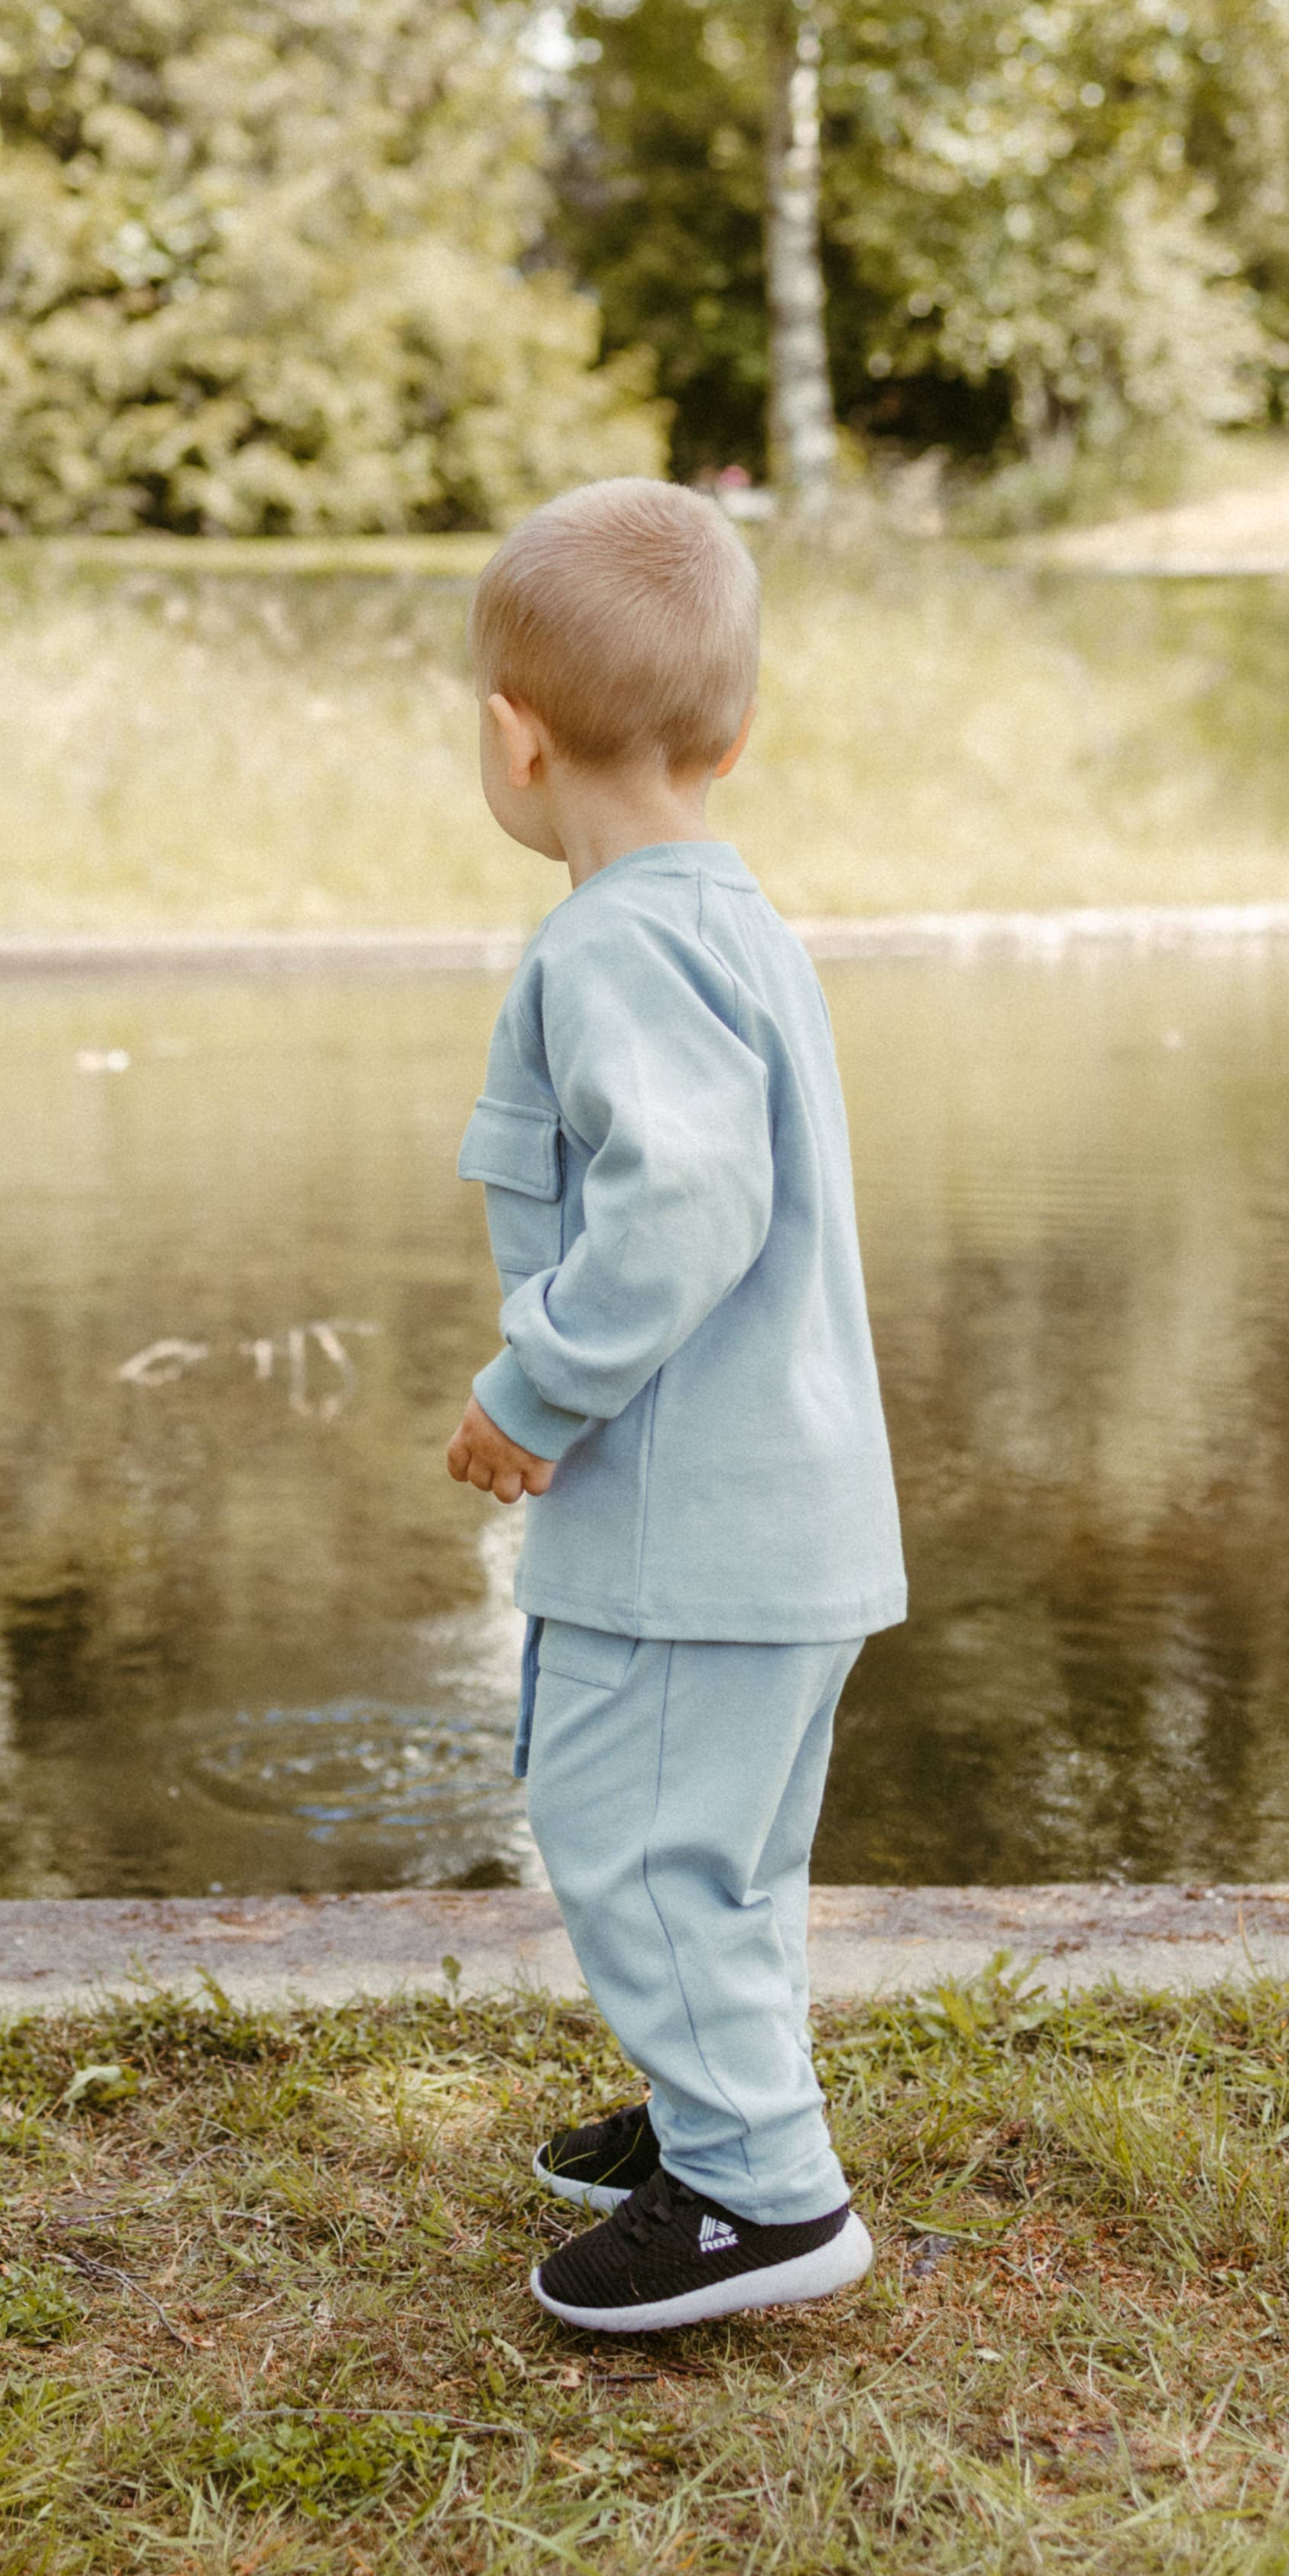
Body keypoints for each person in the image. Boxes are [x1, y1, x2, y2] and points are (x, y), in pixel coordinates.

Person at [445, 478, 906, 2335]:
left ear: (510, 736)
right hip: (783, 1518)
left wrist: (529, 1388)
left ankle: (762, 2200)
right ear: (731, 733)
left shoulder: (608, 944)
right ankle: (714, 2108)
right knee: (712, 1848)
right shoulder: (731, 918)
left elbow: (683, 1211)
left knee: (627, 1833)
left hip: (683, 1527)